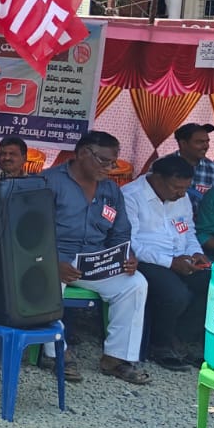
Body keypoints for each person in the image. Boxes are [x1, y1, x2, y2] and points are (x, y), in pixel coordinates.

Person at [43, 131, 149, 385]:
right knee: (45, 279)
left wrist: (127, 256)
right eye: (104, 161)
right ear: (82, 154)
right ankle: (56, 353)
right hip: (56, 259)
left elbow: (120, 232)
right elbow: (29, 231)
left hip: (96, 261)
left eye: (113, 162)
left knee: (135, 283)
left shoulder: (111, 189)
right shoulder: (48, 182)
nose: (110, 168)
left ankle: (116, 358)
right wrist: (52, 263)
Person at [125, 154, 211, 370]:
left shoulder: (181, 197)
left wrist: (196, 252)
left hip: (181, 257)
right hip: (146, 261)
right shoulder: (131, 196)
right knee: (175, 295)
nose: (182, 194)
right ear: (157, 178)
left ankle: (183, 340)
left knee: (213, 285)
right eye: (176, 188)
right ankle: (160, 345)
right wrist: (170, 262)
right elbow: (131, 244)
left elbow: (188, 230)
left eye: (185, 188)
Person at [171, 123, 214, 206]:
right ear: (183, 143)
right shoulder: (162, 166)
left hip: (202, 214)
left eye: (207, 141)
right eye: (200, 142)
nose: (206, 146)